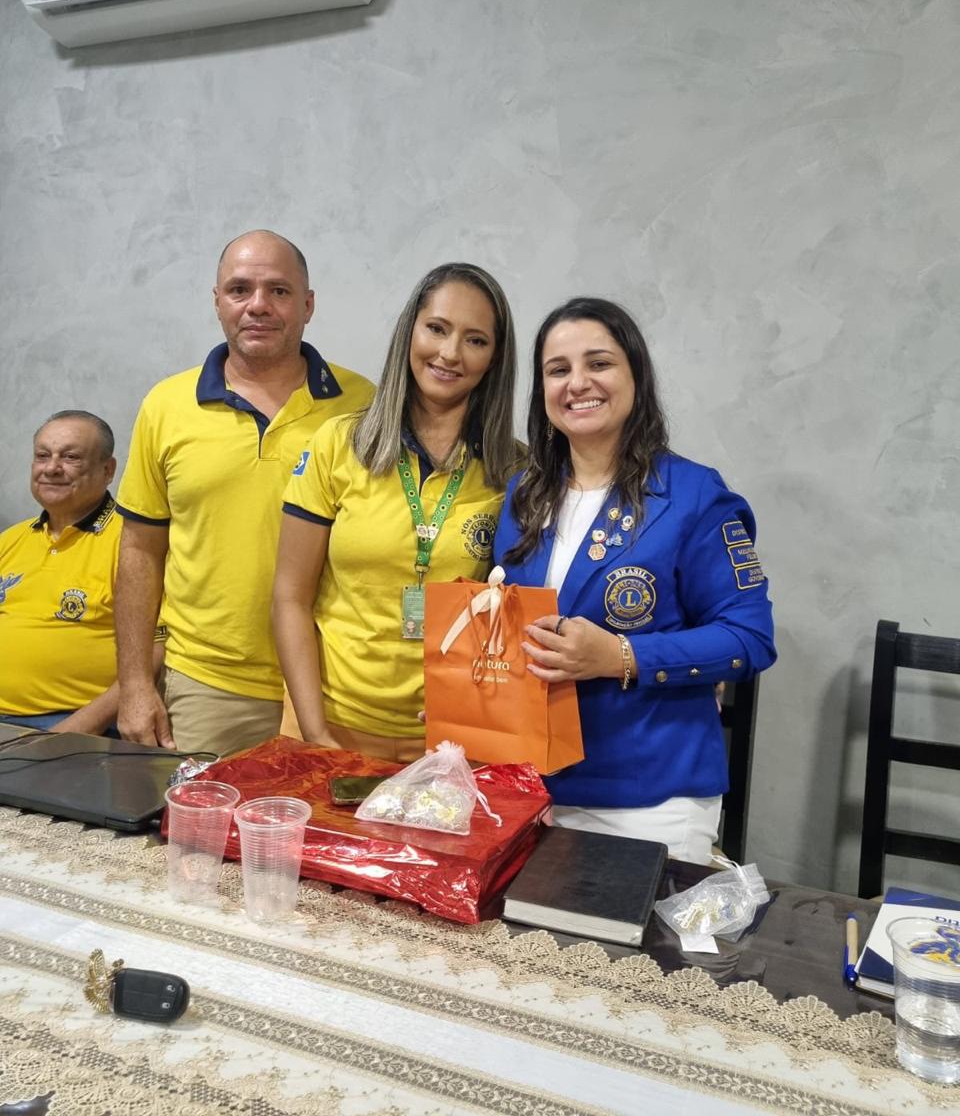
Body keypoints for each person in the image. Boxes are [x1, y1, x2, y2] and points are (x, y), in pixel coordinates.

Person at [494, 297, 776, 864]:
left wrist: (618, 655)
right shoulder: (523, 495)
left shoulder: (696, 497)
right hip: (525, 789)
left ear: (635, 376)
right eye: (558, 369)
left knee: (618, 956)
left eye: (598, 363)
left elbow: (750, 639)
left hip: (648, 796)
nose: (578, 383)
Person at [115, 229, 374, 755]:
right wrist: (136, 685)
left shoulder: (364, 406)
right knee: (194, 837)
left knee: (329, 836)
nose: (258, 305)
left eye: (278, 291)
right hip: (208, 687)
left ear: (308, 304)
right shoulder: (167, 405)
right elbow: (140, 554)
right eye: (240, 289)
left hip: (335, 688)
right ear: (217, 303)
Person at [272, 263, 518, 760]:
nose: (449, 353)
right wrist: (315, 731)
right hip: (330, 725)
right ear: (410, 332)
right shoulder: (339, 444)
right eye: (437, 329)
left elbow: (515, 618)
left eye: (475, 340)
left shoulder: (514, 470)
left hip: (454, 743)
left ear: (494, 359)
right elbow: (289, 597)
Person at [0, 411, 163, 734]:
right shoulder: (11, 540)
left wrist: (71, 733)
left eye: (70, 457)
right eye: (42, 456)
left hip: (74, 727)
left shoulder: (135, 543)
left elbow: (159, 650)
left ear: (108, 470)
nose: (52, 468)